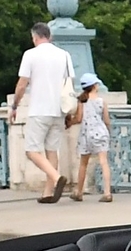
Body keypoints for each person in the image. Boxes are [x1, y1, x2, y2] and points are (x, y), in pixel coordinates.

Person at [13, 23, 75, 203]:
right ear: (50, 36)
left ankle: (56, 178)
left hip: (39, 109)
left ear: (35, 37)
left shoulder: (30, 55)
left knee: (31, 150)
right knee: (51, 150)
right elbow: (69, 84)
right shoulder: (64, 55)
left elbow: (22, 84)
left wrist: (15, 106)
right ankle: (48, 192)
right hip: (59, 109)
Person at [74, 74, 114, 202]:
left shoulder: (82, 101)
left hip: (86, 135)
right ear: (95, 86)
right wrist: (108, 130)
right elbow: (106, 120)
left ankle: (79, 192)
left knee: (83, 164)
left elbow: (79, 118)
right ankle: (107, 192)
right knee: (104, 162)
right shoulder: (101, 101)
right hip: (100, 133)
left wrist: (70, 122)